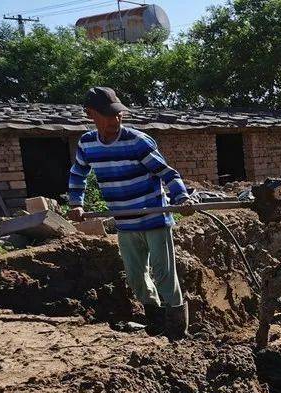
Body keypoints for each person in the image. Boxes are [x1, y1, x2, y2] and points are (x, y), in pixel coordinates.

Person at [67, 86, 193, 339]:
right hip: (125, 222)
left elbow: (167, 173)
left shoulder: (137, 141)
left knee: (164, 273)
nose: (115, 120)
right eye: (108, 115)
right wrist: (76, 203)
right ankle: (156, 324)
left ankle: (178, 331)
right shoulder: (88, 144)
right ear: (91, 114)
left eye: (119, 114)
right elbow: (78, 174)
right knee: (136, 277)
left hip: (154, 217)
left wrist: (181, 197)